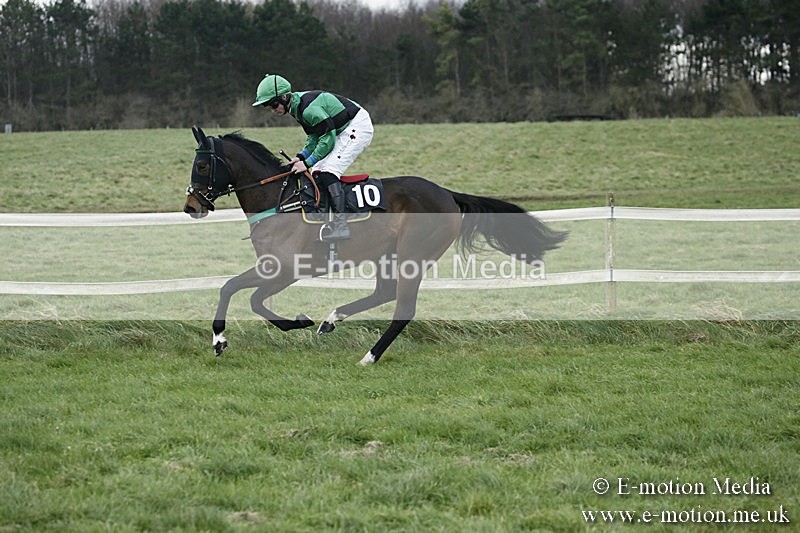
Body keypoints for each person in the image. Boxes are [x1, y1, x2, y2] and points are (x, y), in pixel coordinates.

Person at [252, 74, 374, 241]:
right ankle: (323, 223)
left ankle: (341, 226)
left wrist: (307, 162)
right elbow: (314, 137)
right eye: (268, 106)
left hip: (356, 126)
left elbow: (328, 139)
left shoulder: (308, 109)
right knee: (316, 172)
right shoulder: (297, 108)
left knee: (329, 172)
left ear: (284, 97)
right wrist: (301, 156)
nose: (273, 110)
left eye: (273, 104)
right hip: (338, 130)